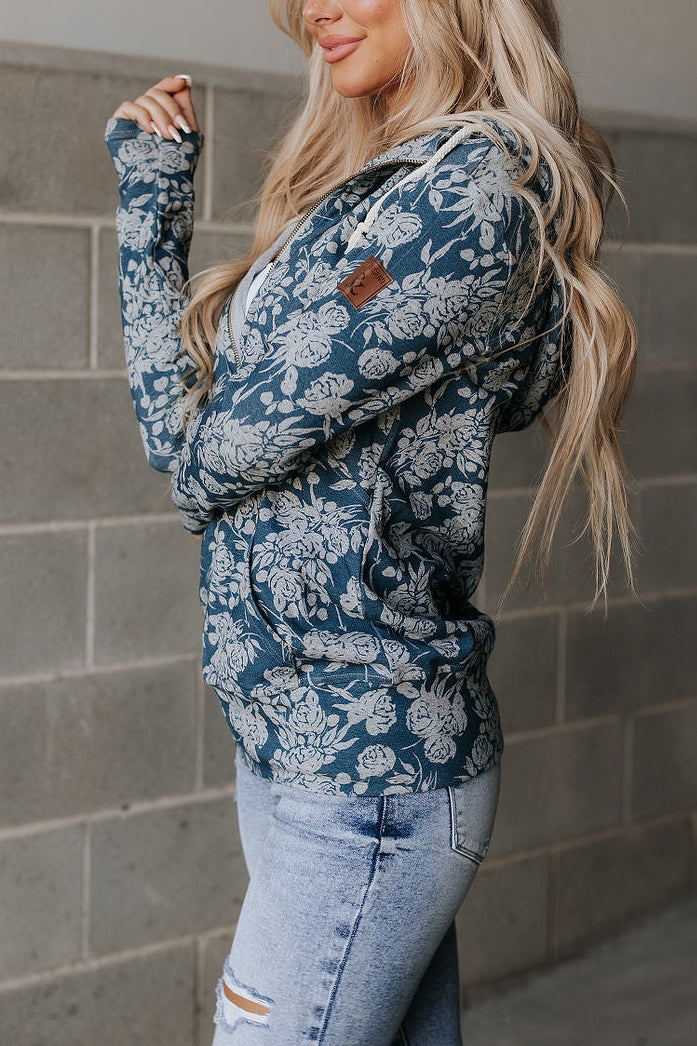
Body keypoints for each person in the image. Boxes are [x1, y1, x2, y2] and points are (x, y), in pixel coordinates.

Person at [104, 1, 636, 1043]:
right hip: (291, 740)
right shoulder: (375, 196)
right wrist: (151, 202)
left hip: (370, 766)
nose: (317, 9)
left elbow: (224, 452)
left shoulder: (473, 197)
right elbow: (184, 439)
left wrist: (210, 456)